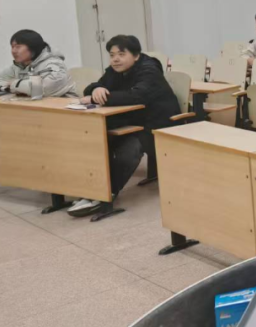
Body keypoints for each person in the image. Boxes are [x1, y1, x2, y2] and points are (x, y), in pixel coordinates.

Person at [70, 35, 180, 218]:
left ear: (136, 56)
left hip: (158, 123)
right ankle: (93, 190)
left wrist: (100, 99)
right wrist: (96, 89)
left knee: (129, 148)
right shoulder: (116, 70)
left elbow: (136, 96)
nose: (115, 59)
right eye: (112, 55)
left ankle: (107, 194)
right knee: (96, 140)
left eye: (121, 54)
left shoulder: (149, 70)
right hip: (132, 120)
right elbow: (94, 86)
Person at [0, 30, 78, 98]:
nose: (13, 51)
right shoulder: (19, 66)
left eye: (18, 47)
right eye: (12, 47)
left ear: (33, 47)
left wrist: (15, 85)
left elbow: (44, 88)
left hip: (64, 108)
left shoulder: (54, 64)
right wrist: (9, 88)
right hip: (36, 106)